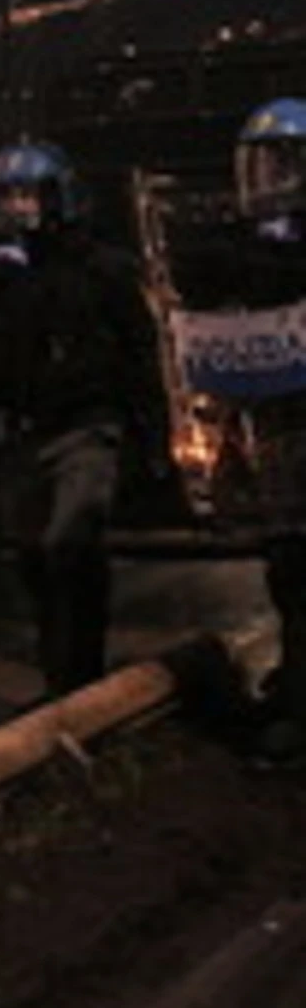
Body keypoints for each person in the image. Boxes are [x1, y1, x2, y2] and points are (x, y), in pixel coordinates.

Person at [0, 141, 162, 700]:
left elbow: (142, 350)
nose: (18, 208)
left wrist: (152, 437)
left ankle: (84, 678)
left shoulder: (100, 268)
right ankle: (58, 683)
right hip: (23, 434)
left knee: (71, 545)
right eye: (8, 197)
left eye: (29, 195)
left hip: (86, 428)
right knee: (32, 561)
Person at [230, 99, 306, 758]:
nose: (273, 179)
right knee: (286, 566)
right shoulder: (248, 247)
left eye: (286, 164)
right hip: (281, 426)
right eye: (265, 165)